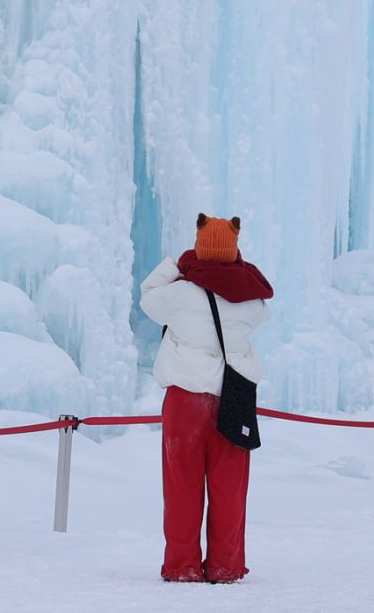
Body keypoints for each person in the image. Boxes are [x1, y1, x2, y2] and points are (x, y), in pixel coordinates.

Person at [138, 214, 274, 583]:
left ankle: (182, 566)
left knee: (182, 485)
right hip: (233, 397)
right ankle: (225, 566)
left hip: (186, 399)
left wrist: (177, 265)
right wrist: (237, 269)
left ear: (198, 247)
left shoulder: (181, 293)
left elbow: (147, 297)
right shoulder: (249, 302)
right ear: (234, 250)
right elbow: (264, 299)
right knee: (230, 488)